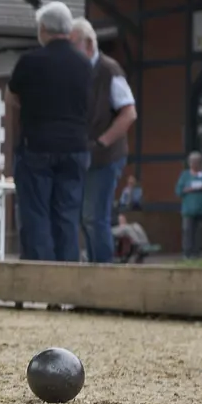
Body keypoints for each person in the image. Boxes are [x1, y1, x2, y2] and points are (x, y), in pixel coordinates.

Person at [8, 1, 92, 262]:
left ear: (43, 28)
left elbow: (13, 97)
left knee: (36, 215)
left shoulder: (30, 61)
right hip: (76, 147)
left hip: (37, 145)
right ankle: (66, 282)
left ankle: (40, 280)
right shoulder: (85, 64)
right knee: (67, 216)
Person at [69, 18, 138, 264]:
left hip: (105, 157)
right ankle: (94, 269)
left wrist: (102, 142)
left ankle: (103, 273)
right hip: (84, 155)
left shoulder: (110, 70)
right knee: (84, 217)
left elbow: (129, 112)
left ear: (88, 45)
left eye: (71, 45)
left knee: (93, 216)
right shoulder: (79, 71)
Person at [175, 151, 202, 259]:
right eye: (192, 162)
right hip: (188, 210)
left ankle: (195, 253)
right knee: (187, 231)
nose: (194, 165)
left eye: (197, 163)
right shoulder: (185, 175)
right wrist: (188, 189)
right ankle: (187, 253)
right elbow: (178, 191)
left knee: (200, 232)